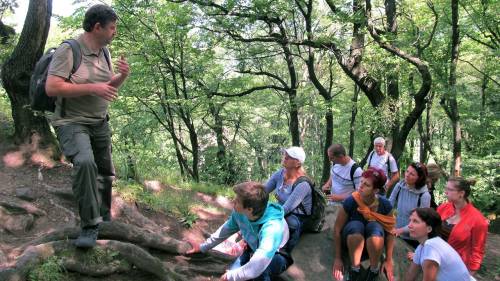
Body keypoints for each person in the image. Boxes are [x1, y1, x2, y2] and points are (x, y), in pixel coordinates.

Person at [45, 4, 130, 248]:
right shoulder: (68, 50)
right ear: (97, 27)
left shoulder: (104, 52)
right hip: (71, 122)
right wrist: (93, 87)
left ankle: (103, 218)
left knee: (105, 172)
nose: (115, 32)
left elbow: (107, 87)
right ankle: (89, 226)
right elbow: (52, 87)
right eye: (112, 28)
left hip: (99, 122)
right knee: (84, 163)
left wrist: (121, 77)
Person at [187, 182, 291, 281]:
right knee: (238, 271)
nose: (233, 202)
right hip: (253, 246)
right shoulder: (240, 212)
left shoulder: (272, 228)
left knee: (261, 273)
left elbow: (258, 265)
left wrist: (231, 276)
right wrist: (203, 247)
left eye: (237, 201)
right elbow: (226, 230)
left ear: (249, 209)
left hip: (276, 254)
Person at [332, 167, 395, 281]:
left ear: (375, 190)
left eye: (366, 185)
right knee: (356, 225)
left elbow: (390, 232)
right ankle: (354, 270)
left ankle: (374, 270)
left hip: (375, 244)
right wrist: (338, 258)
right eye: (361, 181)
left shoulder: (385, 205)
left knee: (375, 227)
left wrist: (389, 260)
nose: (360, 186)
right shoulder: (351, 201)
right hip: (352, 241)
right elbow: (337, 229)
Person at [264, 147, 312, 254]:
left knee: (290, 223)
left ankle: (284, 251)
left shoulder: (303, 184)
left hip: (297, 216)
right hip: (281, 209)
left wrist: (265, 214)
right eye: (285, 155)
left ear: (297, 163)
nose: (285, 157)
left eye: (289, 157)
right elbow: (263, 191)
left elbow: (286, 208)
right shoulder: (280, 174)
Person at [405, 208, 474, 281]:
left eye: (415, 221)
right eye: (410, 221)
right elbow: (410, 274)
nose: (409, 225)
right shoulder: (422, 247)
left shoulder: (431, 246)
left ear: (429, 229)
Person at [437, 177, 488, 275]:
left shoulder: (478, 220)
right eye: (446, 188)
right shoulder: (443, 208)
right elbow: (431, 232)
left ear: (462, 193)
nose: (445, 192)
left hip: (457, 267)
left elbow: (477, 251)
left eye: (450, 189)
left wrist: (469, 274)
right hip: (435, 261)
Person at [389, 162, 431, 248]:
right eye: (407, 171)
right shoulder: (399, 186)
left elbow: (421, 222)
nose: (407, 175)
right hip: (396, 231)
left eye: (412, 174)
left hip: (413, 240)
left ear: (419, 178)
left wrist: (400, 230)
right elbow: (389, 204)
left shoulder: (424, 196)